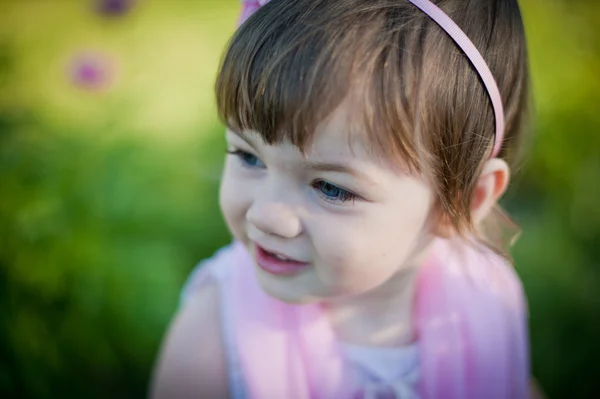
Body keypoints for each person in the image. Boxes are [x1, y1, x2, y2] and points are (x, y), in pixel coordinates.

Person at [151, 0, 539, 397]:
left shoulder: (485, 306)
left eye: (330, 187)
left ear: (463, 200)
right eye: (249, 156)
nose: (266, 215)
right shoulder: (213, 339)